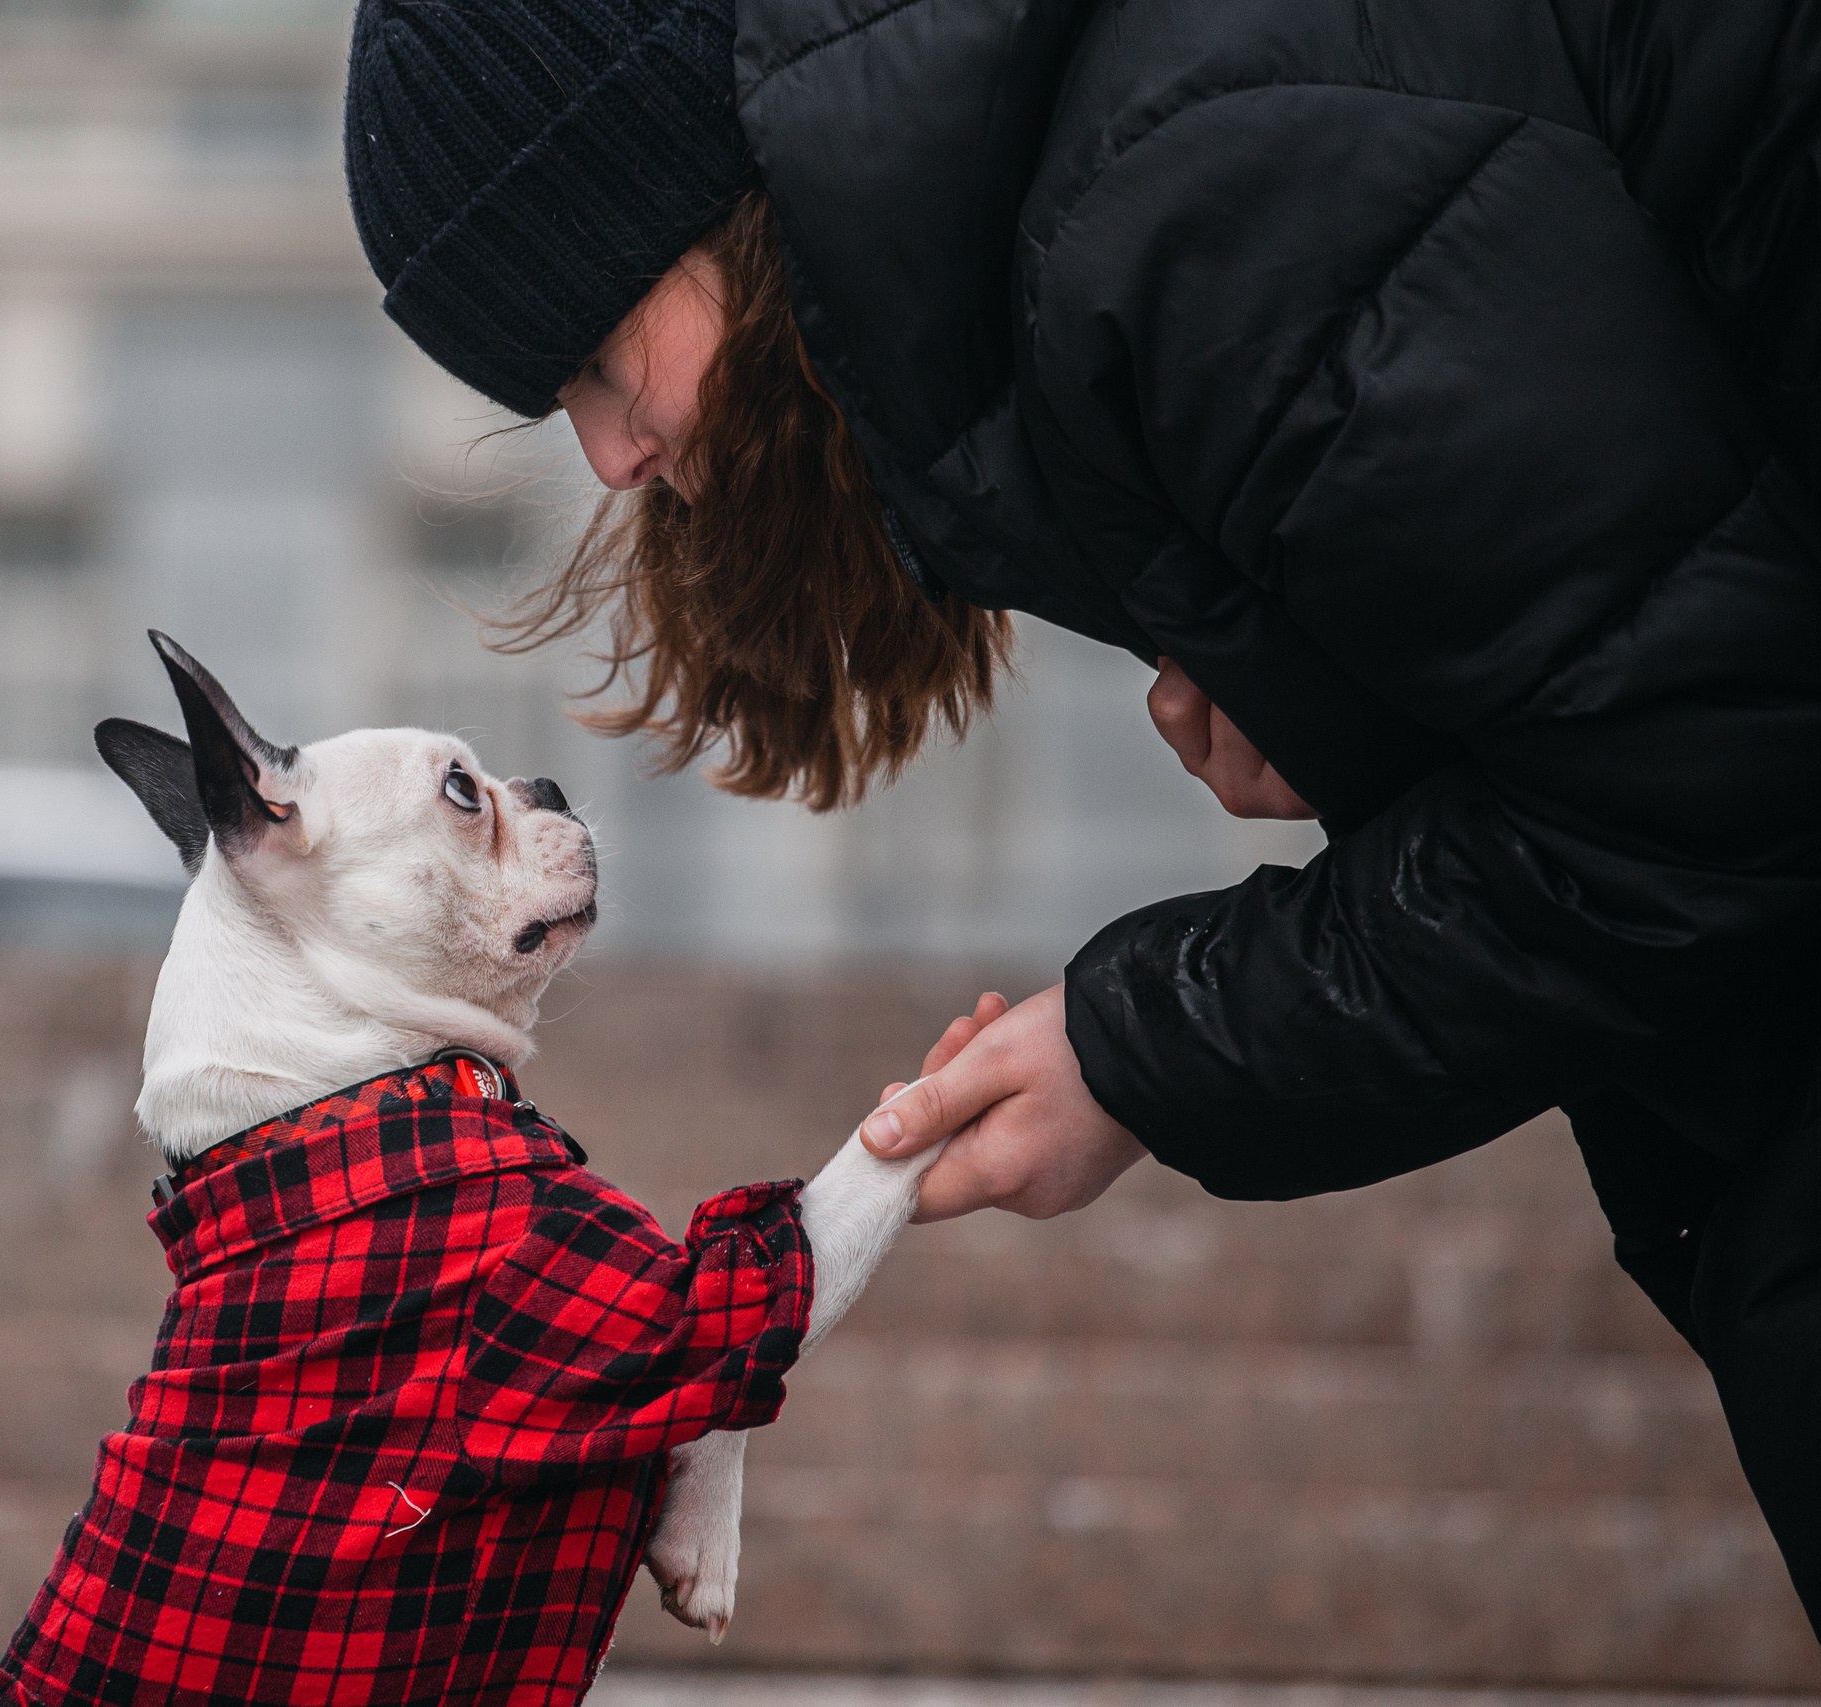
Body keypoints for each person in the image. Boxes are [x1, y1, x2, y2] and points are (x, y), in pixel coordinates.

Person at [342, 0, 1821, 1631]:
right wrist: (1353, 703)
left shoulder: (1191, 194)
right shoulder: (1144, 154)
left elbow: (1710, 772)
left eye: (601, 359)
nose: (613, 456)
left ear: (723, 202)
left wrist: (1139, 1048)